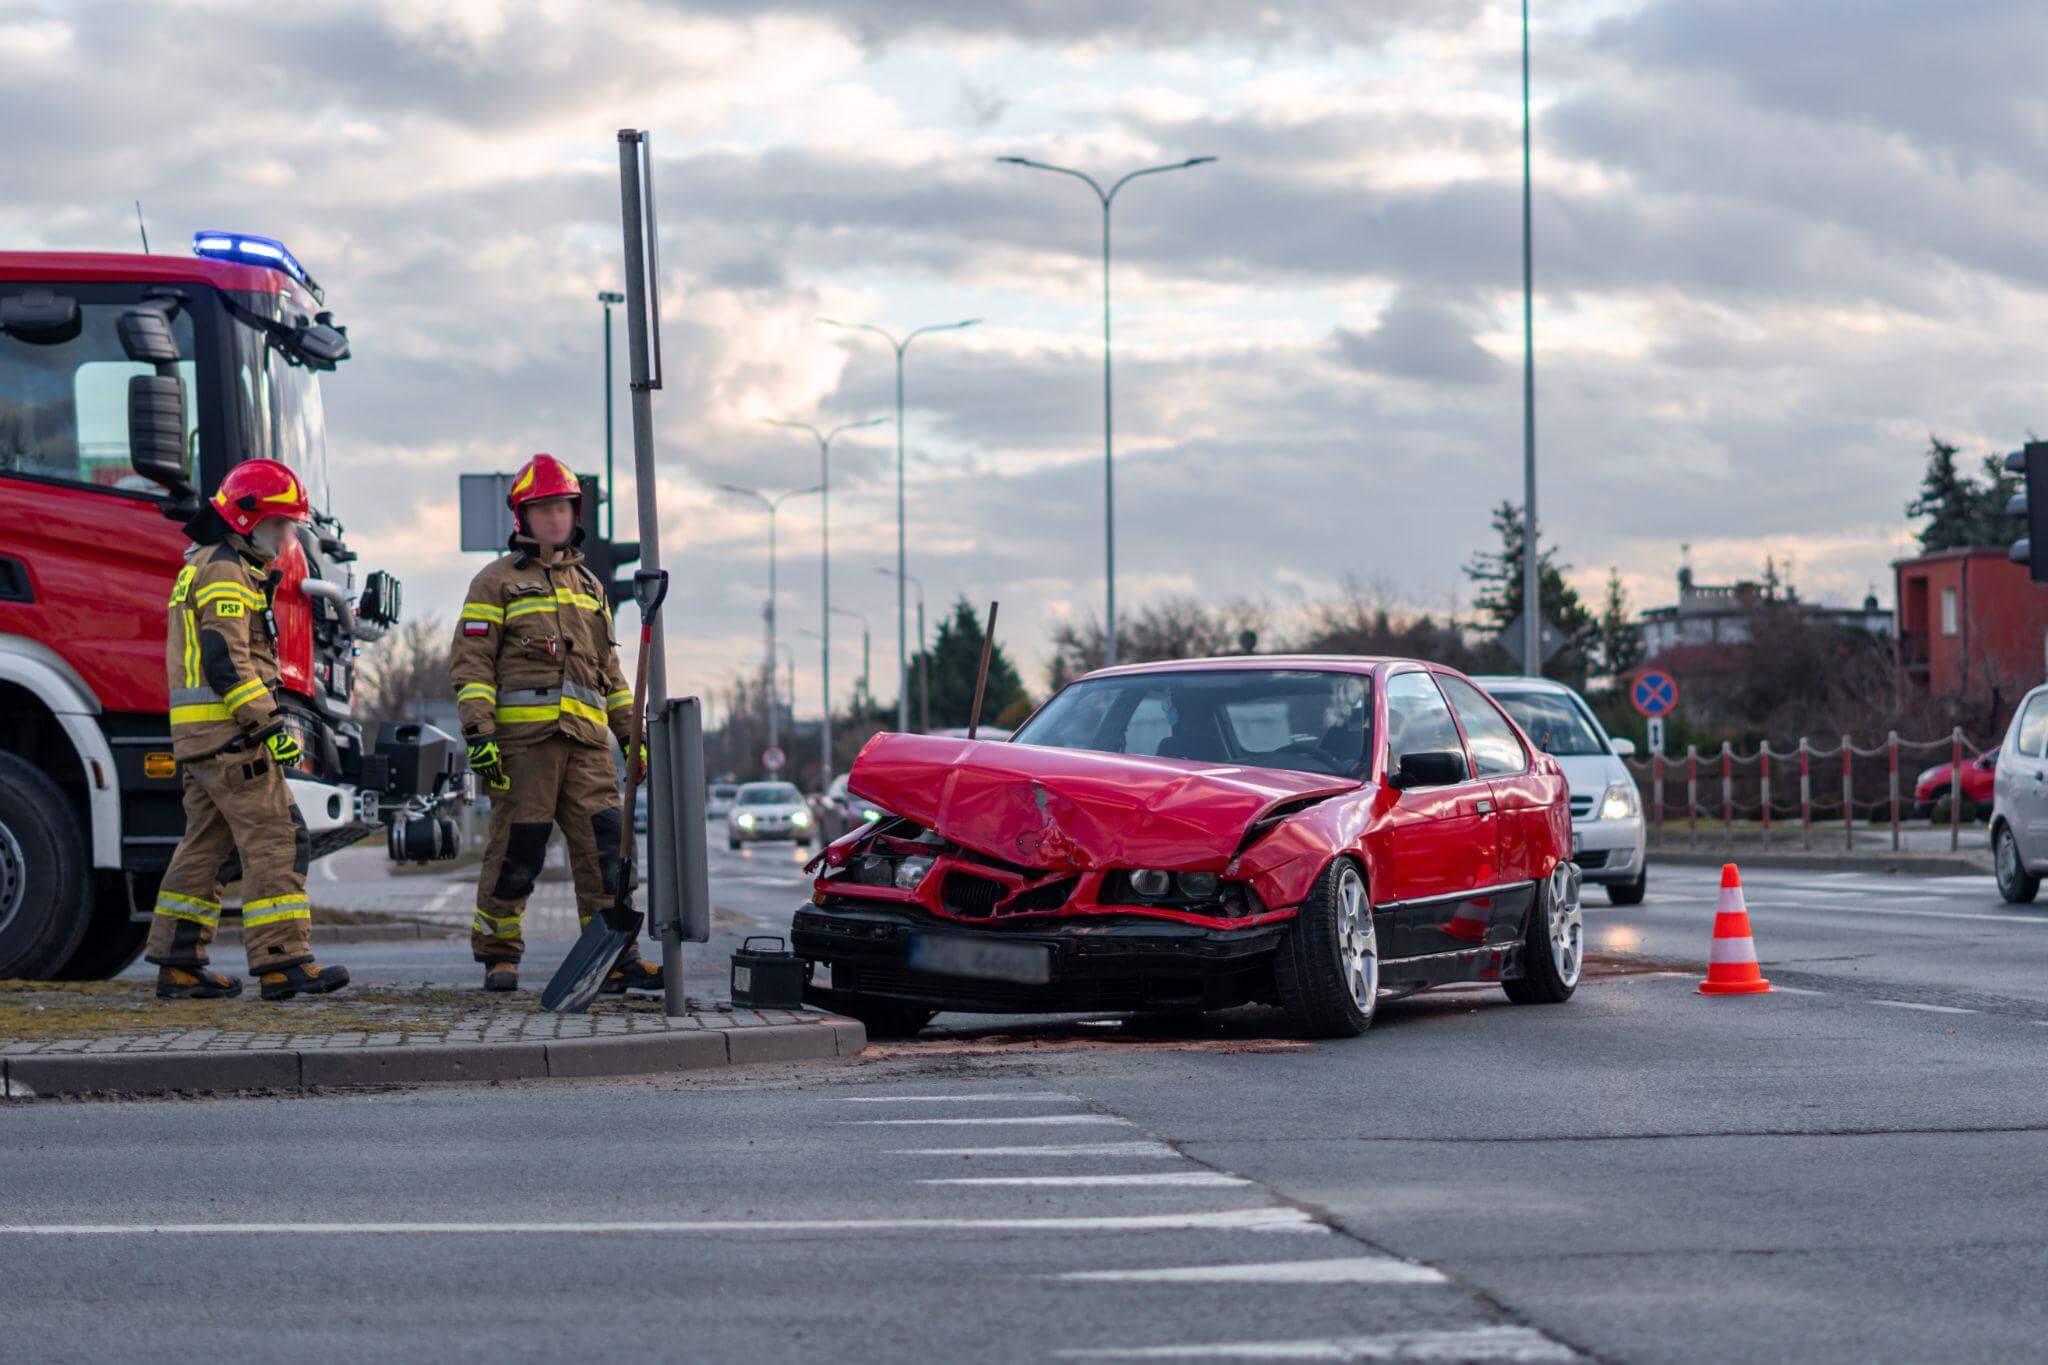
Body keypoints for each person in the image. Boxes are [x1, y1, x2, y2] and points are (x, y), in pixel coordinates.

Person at [449, 453, 660, 994]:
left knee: (608, 854)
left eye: (563, 508)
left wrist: (630, 740)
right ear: (522, 517)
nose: (555, 519)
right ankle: (499, 954)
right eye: (543, 510)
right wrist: (480, 735)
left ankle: (615, 954)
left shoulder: (590, 586)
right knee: (518, 849)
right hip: (525, 747)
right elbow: (471, 666)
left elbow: (610, 675)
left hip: (588, 748)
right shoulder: (494, 582)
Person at [146, 459, 351, 1001]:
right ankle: (282, 962)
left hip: (201, 739)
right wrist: (268, 725)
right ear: (245, 518)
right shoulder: (225, 571)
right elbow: (226, 663)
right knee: (279, 841)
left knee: (206, 849)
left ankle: (178, 963)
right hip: (232, 736)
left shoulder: (207, 564)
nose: (288, 537)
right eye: (280, 525)